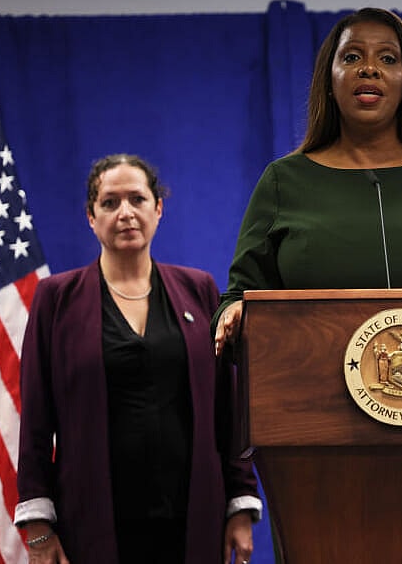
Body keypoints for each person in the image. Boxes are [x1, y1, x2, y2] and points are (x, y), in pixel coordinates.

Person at [212, 8, 402, 353]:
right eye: (352, 56)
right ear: (329, 80)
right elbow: (239, 297)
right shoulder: (284, 181)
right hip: (311, 396)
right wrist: (236, 313)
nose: (368, 68)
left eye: (388, 58)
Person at [14, 154, 262, 564]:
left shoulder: (199, 289)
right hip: (92, 519)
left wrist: (240, 503)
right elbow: (36, 419)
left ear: (158, 208)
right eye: (110, 203)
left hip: (192, 515)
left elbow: (228, 409)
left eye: (137, 199)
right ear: (90, 217)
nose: (125, 213)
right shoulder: (56, 299)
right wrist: (38, 527)